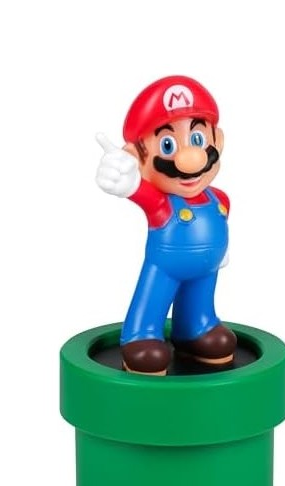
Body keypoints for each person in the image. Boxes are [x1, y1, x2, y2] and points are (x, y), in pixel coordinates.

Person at [96, 75, 236, 375]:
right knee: (154, 298)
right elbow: (135, 189)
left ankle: (197, 328)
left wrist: (222, 249)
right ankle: (141, 334)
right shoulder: (162, 204)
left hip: (206, 270)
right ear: (138, 157)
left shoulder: (219, 198)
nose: (190, 159)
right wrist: (124, 180)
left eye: (197, 139)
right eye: (168, 144)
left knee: (200, 301)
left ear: (218, 141)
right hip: (165, 269)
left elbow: (222, 218)